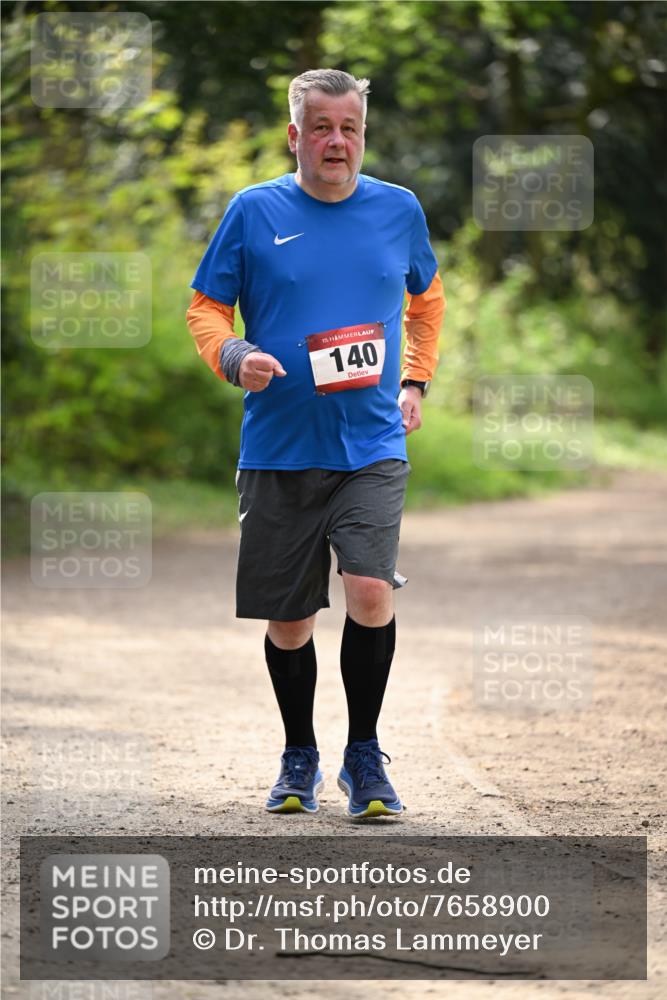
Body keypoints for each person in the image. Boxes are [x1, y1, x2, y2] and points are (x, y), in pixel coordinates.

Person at [186, 69, 445, 818]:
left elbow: (424, 301)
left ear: (363, 134)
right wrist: (233, 356)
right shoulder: (253, 210)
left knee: (368, 590)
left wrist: (415, 382)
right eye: (323, 128)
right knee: (289, 618)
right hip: (278, 444)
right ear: (295, 135)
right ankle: (299, 752)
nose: (337, 141)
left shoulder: (397, 210)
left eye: (350, 128)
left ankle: (363, 755)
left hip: (370, 441)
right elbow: (206, 308)